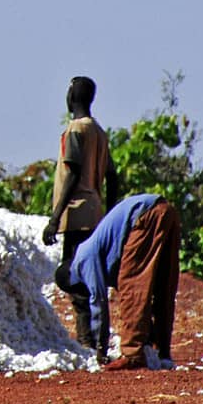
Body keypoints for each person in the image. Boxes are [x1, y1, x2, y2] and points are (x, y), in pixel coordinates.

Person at [55, 192, 182, 371]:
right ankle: (163, 352)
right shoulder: (103, 256)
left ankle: (132, 354)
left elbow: (99, 300)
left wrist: (101, 348)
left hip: (146, 216)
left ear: (72, 281)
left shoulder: (82, 261)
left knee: (132, 287)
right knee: (162, 285)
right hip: (166, 212)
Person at [41, 75, 121, 355]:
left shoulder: (75, 130)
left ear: (72, 96)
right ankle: (98, 342)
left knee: (74, 277)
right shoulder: (99, 132)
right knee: (92, 276)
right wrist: (110, 215)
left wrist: (55, 218)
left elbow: (73, 173)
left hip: (76, 213)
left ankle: (87, 341)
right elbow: (112, 176)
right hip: (95, 213)